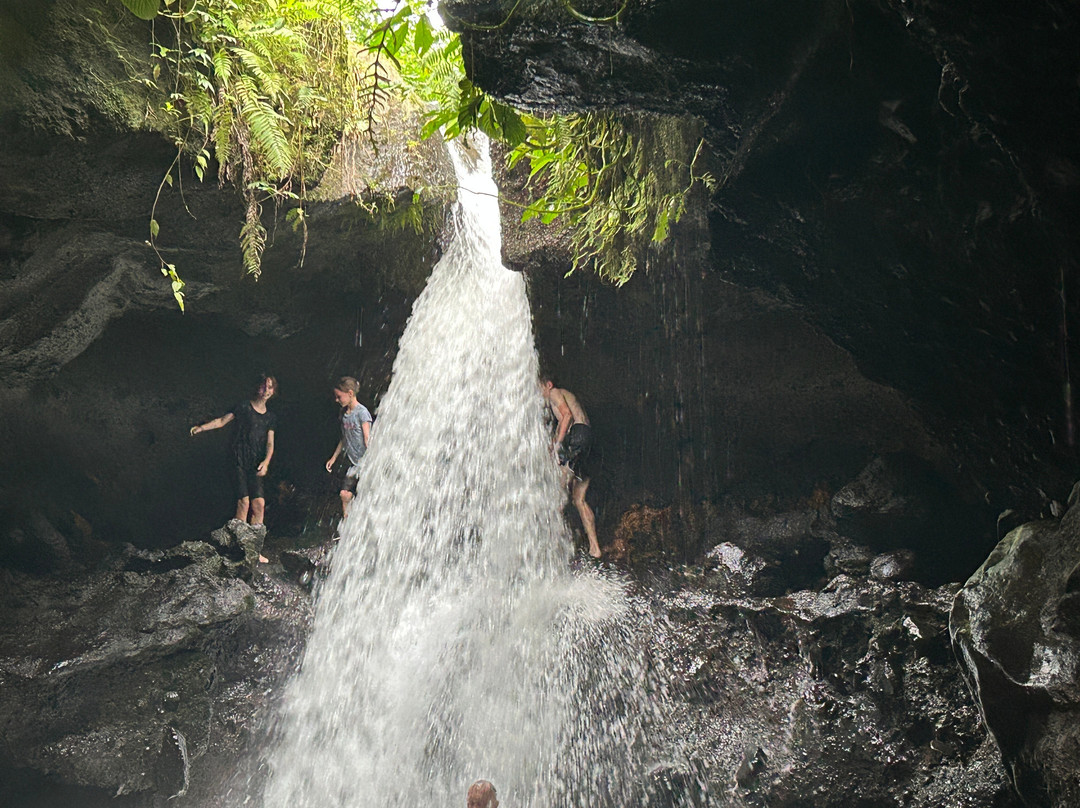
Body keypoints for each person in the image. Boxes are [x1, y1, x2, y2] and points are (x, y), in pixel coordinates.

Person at [190, 374, 277, 559]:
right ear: (257, 388)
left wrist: (266, 462)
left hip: (256, 463)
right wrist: (201, 428)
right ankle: (236, 547)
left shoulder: (270, 417)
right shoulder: (244, 407)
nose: (266, 391)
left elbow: (270, 444)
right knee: (244, 502)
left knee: (259, 504)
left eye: (270, 388)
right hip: (238, 459)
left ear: (274, 391)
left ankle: (254, 550)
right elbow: (222, 421)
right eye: (263, 387)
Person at [540, 377, 600, 559]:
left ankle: (550, 546)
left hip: (579, 437)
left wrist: (558, 445)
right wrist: (553, 445)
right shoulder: (562, 399)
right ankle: (595, 548)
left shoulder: (554, 392)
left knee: (557, 489)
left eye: (538, 389)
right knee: (578, 499)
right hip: (588, 440)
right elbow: (563, 423)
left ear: (548, 384)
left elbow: (567, 416)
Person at [325, 376, 373, 519]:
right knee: (344, 494)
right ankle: (347, 522)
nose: (336, 400)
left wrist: (372, 459)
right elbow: (344, 438)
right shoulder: (344, 414)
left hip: (364, 463)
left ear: (350, 393)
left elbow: (367, 436)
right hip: (353, 464)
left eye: (339, 397)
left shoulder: (362, 412)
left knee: (366, 494)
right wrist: (333, 458)